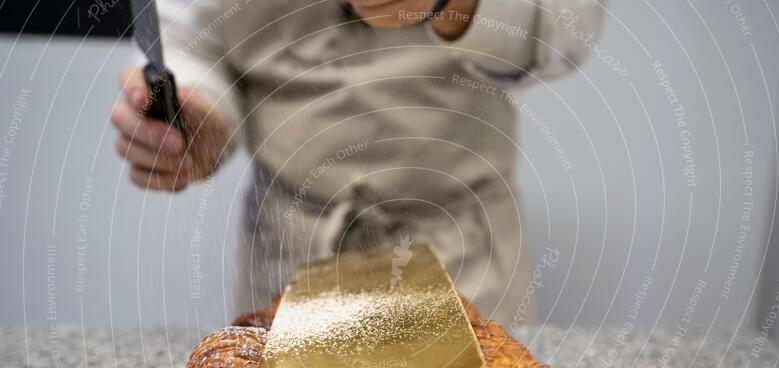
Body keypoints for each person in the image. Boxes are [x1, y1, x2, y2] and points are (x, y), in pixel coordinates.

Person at [111, 0, 602, 324]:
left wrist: (458, 5)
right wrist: (196, 112)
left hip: (464, 255)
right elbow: (195, 38)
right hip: (290, 255)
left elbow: (569, 23)